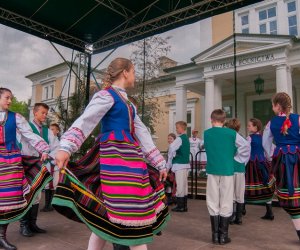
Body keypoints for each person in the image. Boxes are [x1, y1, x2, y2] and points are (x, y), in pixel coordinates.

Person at [54, 58, 169, 250]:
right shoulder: (106, 96)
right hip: (115, 161)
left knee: (111, 218)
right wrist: (66, 147)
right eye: (133, 71)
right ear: (125, 72)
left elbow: (143, 134)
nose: (135, 75)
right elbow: (86, 120)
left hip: (130, 161)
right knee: (131, 215)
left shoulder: (129, 105)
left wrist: (159, 163)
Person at [0, 87, 51, 250]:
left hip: (10, 161)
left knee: (8, 200)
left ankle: (1, 236)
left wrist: (43, 148)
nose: (10, 101)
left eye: (11, 98)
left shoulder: (16, 117)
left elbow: (30, 135)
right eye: (7, 97)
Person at [204, 109, 249, 245]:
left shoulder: (206, 133)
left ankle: (214, 236)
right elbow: (245, 147)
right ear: (224, 121)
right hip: (228, 170)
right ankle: (223, 236)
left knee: (212, 200)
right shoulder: (231, 133)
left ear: (211, 120)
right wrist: (234, 156)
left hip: (212, 170)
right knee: (226, 199)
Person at [263, 92, 300, 242]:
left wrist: (273, 155)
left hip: (283, 161)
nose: (272, 108)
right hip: (298, 157)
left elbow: (265, 144)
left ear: (278, 106)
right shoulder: (298, 119)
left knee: (290, 197)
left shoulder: (271, 123)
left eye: (273, 105)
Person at [18, 103, 60, 235]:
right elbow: (20, 143)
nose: (44, 115)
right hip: (26, 163)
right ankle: (24, 226)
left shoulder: (48, 131)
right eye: (42, 112)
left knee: (36, 195)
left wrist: (48, 156)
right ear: (35, 113)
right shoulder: (25, 127)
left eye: (46, 113)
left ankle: (32, 224)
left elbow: (56, 147)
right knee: (26, 194)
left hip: (40, 165)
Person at [245, 118, 276, 220]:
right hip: (262, 163)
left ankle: (242, 209)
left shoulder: (249, 138)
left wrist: (244, 164)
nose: (248, 127)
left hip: (252, 164)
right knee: (265, 186)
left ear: (255, 127)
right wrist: (269, 159)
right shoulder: (264, 138)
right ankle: (269, 211)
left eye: (249, 125)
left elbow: (246, 152)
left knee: (246, 185)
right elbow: (270, 149)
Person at [225, 119, 250, 225]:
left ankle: (234, 216)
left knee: (232, 192)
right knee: (238, 192)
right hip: (238, 167)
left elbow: (246, 147)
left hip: (234, 167)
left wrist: (235, 156)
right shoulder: (238, 136)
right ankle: (237, 217)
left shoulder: (233, 136)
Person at [167, 121, 190, 212]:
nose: (176, 129)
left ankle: (180, 206)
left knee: (180, 185)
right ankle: (184, 206)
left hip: (179, 164)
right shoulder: (186, 138)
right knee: (184, 185)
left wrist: (170, 160)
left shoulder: (179, 139)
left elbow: (171, 148)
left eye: (177, 128)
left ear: (181, 128)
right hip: (185, 164)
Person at [165, 133, 177, 205]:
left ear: (174, 140)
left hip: (172, 167)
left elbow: (172, 158)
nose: (169, 140)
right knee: (169, 183)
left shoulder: (174, 147)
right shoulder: (170, 146)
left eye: (171, 139)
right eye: (168, 138)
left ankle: (173, 198)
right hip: (169, 166)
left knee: (172, 183)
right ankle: (170, 198)